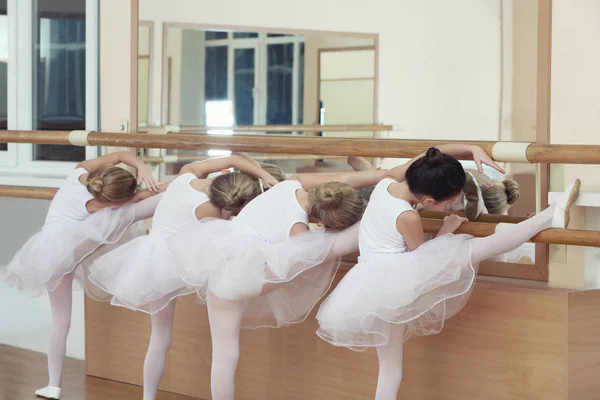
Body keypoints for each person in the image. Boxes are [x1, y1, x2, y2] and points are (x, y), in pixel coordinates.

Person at [316, 147, 580, 400]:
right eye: (449, 203)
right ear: (428, 200)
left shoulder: (386, 184)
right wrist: (447, 230)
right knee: (478, 248)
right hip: (395, 281)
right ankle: (549, 216)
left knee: (390, 367)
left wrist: (470, 148)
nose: (450, 207)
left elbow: (430, 153)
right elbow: (421, 258)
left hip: (368, 284)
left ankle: (550, 216)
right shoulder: (408, 217)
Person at [86, 155, 281, 400]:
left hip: (151, 261)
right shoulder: (210, 209)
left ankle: (148, 397)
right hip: (177, 262)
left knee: (159, 337)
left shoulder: (187, 175)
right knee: (219, 320)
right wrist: (265, 182)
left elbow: (232, 158)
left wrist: (264, 176)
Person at [4, 151, 165, 400]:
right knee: (129, 213)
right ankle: (190, 189)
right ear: (111, 199)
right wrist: (148, 179)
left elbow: (120, 155)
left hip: (48, 252)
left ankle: (53, 386)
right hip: (62, 252)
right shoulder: (98, 204)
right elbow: (142, 196)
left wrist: (141, 166)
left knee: (60, 321)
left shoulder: (80, 172)